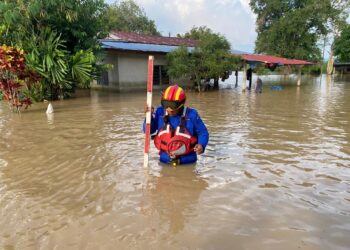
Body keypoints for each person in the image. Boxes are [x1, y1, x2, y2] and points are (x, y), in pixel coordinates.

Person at [143, 84, 209, 166]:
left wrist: (201, 145)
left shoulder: (192, 115)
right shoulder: (159, 112)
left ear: (182, 103)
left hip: (188, 162)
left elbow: (203, 132)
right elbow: (147, 131)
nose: (169, 109)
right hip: (164, 161)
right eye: (166, 104)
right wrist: (148, 117)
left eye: (173, 105)